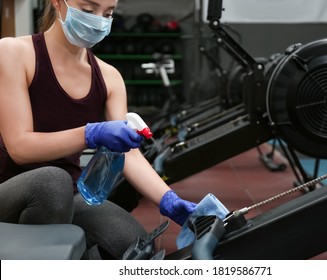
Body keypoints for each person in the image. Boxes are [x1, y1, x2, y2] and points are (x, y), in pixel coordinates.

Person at [0, 0, 196, 259]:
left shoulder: (109, 77)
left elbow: (130, 155)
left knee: (135, 243)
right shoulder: (14, 52)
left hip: (68, 194)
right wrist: (90, 133)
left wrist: (168, 200)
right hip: (10, 190)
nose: (98, 20)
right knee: (51, 183)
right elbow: (20, 148)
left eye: (108, 13)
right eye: (88, 10)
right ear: (58, 3)